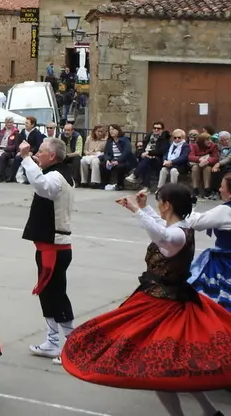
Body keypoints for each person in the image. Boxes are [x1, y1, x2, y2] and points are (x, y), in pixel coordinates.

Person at [62, 184, 231, 414]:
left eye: (160, 202)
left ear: (167, 205)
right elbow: (163, 227)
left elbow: (162, 234)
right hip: (167, 301)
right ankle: (210, 412)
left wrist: (137, 210)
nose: (159, 208)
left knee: (158, 371)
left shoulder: (177, 236)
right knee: (178, 369)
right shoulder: (181, 228)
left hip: (164, 307)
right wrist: (145, 208)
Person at [18, 137, 75, 364]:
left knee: (57, 294)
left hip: (55, 247)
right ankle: (52, 341)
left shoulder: (56, 177)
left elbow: (42, 186)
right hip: (48, 246)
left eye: (40, 152)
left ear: (52, 156)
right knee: (48, 294)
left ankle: (72, 345)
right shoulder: (57, 173)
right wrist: (28, 162)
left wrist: (25, 159)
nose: (36, 155)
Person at [187, 171, 231, 309]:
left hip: (225, 263)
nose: (219, 189)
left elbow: (195, 222)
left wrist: (190, 207)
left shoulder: (225, 211)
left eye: (222, 186)